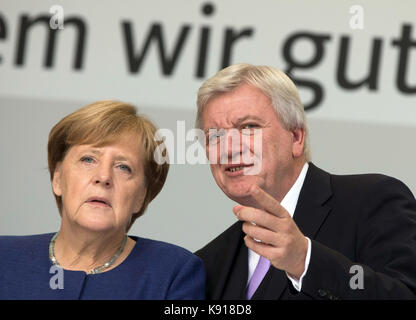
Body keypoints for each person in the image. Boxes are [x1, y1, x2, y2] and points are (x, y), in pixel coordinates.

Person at [194, 63, 416, 300]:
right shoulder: (208, 263)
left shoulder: (373, 201)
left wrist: (305, 261)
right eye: (214, 136)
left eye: (249, 127)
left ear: (296, 138)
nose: (229, 148)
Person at [0, 100, 205, 300]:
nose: (104, 177)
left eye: (123, 167)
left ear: (140, 197)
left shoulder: (172, 273)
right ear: (58, 178)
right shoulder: (5, 257)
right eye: (88, 159)